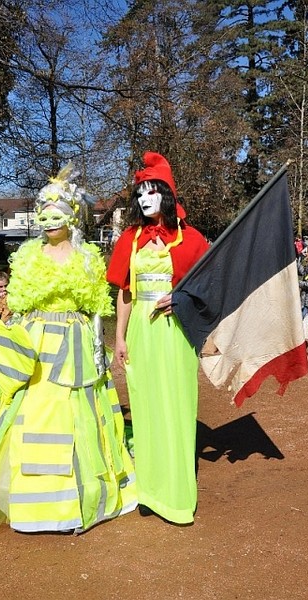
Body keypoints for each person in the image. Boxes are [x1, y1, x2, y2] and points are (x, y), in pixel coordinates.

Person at [0, 163, 137, 534]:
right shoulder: (29, 255)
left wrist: (99, 347)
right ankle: (37, 506)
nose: (47, 221)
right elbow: (17, 303)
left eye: (55, 215)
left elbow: (97, 306)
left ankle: (77, 502)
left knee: (78, 414)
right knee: (36, 413)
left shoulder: (87, 257)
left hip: (76, 341)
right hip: (37, 343)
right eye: (42, 215)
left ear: (71, 217)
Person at [107, 151, 209, 525]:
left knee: (177, 405)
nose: (144, 199)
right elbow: (125, 292)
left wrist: (180, 299)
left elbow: (208, 288)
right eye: (139, 193)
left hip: (175, 332)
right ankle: (149, 490)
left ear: (167, 194)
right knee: (146, 405)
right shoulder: (130, 239)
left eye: (152, 192)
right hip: (141, 333)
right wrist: (119, 337)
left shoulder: (191, 238)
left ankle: (177, 493)